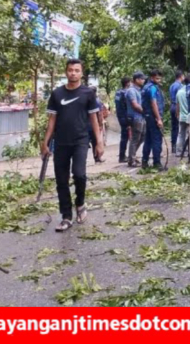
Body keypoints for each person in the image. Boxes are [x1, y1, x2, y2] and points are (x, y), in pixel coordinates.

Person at [42, 58, 104, 232]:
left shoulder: (88, 94)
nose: (73, 73)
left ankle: (80, 204)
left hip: (80, 141)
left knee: (79, 174)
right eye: (70, 70)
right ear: (66, 72)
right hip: (60, 142)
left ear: (81, 73)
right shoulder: (57, 94)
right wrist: (45, 142)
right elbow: (52, 120)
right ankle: (66, 216)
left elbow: (94, 119)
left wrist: (99, 143)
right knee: (61, 180)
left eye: (77, 70)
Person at [141, 69, 166, 170]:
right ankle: (157, 163)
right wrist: (159, 119)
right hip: (153, 116)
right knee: (156, 140)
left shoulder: (146, 87)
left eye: (160, 78)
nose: (159, 80)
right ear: (152, 78)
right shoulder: (152, 89)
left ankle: (144, 161)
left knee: (148, 140)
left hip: (148, 116)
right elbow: (153, 103)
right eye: (157, 78)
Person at [126, 72, 146, 167]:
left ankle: (132, 156)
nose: (143, 80)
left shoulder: (139, 90)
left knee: (142, 137)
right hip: (135, 117)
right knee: (135, 138)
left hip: (140, 117)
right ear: (136, 79)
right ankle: (131, 159)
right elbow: (135, 105)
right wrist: (145, 111)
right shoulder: (131, 91)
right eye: (142, 79)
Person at [115, 77, 132, 163]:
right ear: (127, 83)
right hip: (125, 117)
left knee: (124, 136)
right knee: (126, 136)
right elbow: (127, 107)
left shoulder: (118, 92)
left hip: (120, 116)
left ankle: (123, 155)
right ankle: (123, 156)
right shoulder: (125, 93)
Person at [176, 75, 190, 157]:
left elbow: (177, 105)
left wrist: (177, 114)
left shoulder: (179, 92)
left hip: (182, 116)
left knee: (181, 134)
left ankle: (179, 152)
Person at [88, 86, 105, 164]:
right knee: (95, 142)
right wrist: (100, 125)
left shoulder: (86, 100)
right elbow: (100, 114)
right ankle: (97, 158)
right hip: (94, 126)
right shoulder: (97, 101)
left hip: (86, 126)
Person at [169, 70, 184, 155]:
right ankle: (179, 147)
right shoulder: (180, 86)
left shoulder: (172, 85)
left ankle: (173, 146)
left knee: (173, 127)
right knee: (179, 128)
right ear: (181, 76)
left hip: (172, 106)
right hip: (177, 106)